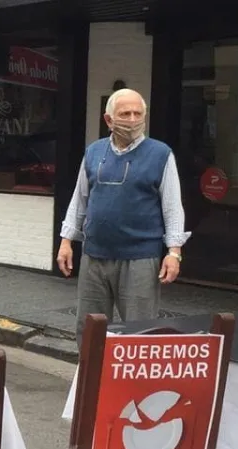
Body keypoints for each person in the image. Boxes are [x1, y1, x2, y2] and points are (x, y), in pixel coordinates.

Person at [56, 88, 189, 345]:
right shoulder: (94, 152)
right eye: (125, 113)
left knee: (139, 333)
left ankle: (135, 384)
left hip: (140, 258)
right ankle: (90, 382)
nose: (132, 119)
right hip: (95, 255)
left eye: (137, 113)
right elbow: (79, 199)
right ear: (109, 120)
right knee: (90, 330)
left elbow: (172, 207)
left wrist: (174, 253)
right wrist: (66, 240)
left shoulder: (160, 154)